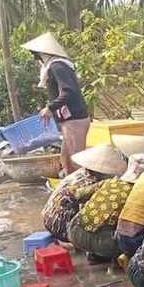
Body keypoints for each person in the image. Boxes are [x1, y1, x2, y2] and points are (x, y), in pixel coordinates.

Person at [20, 33, 90, 178]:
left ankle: (80, 186)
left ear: (43, 53)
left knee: (75, 159)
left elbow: (68, 91)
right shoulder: (55, 66)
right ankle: (72, 186)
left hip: (74, 119)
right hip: (71, 119)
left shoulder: (58, 67)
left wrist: (51, 108)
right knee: (67, 158)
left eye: (36, 54)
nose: (35, 57)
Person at [65, 145, 133, 263]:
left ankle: (93, 255)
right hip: (104, 244)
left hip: (73, 231)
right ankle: (112, 261)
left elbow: (78, 195)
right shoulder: (134, 192)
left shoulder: (109, 182)